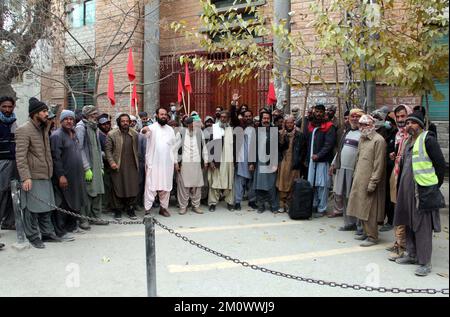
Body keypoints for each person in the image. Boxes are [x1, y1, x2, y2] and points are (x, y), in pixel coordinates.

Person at [393, 111, 446, 276]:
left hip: (422, 191)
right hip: (406, 191)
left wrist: (434, 186)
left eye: (412, 122)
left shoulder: (428, 139)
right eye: (407, 123)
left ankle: (424, 262)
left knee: (422, 226)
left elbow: (440, 165)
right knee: (408, 222)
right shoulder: (407, 141)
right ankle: (412, 254)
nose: (409, 125)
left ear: (420, 125)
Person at [15, 98, 60, 248]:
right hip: (32, 177)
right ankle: (33, 236)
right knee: (31, 210)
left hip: (45, 174)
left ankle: (47, 234)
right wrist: (25, 177)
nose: (47, 114)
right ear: (35, 113)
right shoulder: (23, 130)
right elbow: (20, 157)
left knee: (46, 207)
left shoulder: (43, 128)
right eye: (44, 111)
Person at [347, 115, 386, 247]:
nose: (362, 127)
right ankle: (365, 232)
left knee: (370, 209)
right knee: (360, 207)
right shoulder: (363, 139)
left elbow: (379, 164)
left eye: (365, 125)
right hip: (359, 178)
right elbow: (358, 159)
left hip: (370, 180)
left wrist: (373, 182)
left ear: (372, 125)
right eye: (360, 125)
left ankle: (372, 236)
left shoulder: (378, 140)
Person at [50, 110, 86, 239]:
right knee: (63, 203)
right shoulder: (57, 136)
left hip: (76, 176)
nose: (69, 121)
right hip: (64, 176)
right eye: (66, 119)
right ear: (61, 121)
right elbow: (56, 158)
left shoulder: (73, 133)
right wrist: (61, 176)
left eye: (71, 119)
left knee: (74, 200)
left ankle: (71, 226)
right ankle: (60, 231)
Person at [329, 108, 364, 231]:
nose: (354, 119)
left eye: (357, 117)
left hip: (354, 171)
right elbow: (340, 150)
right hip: (342, 169)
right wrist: (334, 163)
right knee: (344, 196)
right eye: (352, 117)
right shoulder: (346, 132)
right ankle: (349, 223)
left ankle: (359, 225)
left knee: (355, 197)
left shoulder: (363, 134)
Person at [387, 104, 413, 260]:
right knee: (397, 209)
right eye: (398, 117)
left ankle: (402, 247)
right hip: (396, 174)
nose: (401, 120)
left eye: (404, 116)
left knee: (403, 212)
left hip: (406, 178)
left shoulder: (412, 136)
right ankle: (398, 241)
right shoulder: (398, 135)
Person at [75, 105, 107, 229]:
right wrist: (86, 167)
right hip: (88, 166)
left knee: (98, 191)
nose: (95, 116)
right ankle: (84, 219)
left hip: (97, 165)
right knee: (87, 193)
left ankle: (96, 217)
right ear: (87, 115)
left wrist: (101, 165)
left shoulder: (95, 127)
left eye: (96, 114)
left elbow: (98, 148)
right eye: (93, 114)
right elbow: (80, 148)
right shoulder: (80, 127)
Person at [142, 107, 177, 217]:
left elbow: (174, 147)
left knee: (165, 187)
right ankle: (147, 209)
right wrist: (144, 129)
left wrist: (175, 162)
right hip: (153, 164)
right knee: (150, 187)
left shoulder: (170, 130)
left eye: (165, 114)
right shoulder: (151, 128)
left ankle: (163, 208)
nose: (164, 116)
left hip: (167, 164)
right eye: (161, 114)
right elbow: (143, 133)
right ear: (156, 115)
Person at [105, 113, 140, 220]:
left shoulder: (134, 134)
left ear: (130, 122)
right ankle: (118, 210)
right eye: (123, 121)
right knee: (118, 188)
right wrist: (112, 162)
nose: (125, 123)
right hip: (117, 166)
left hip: (131, 165)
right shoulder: (112, 134)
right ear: (119, 122)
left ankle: (130, 209)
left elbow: (137, 148)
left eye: (127, 121)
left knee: (132, 188)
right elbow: (108, 151)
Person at [305, 104, 337, 217]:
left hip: (323, 161)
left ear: (324, 113)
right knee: (312, 184)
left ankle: (322, 208)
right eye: (316, 111)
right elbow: (307, 143)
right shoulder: (311, 125)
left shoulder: (329, 126)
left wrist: (318, 155)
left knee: (322, 185)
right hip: (311, 161)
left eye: (320, 112)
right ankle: (313, 205)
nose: (318, 114)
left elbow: (329, 145)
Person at [207, 101, 238, 212]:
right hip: (217, 159)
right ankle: (212, 203)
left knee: (229, 182)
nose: (223, 119)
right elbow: (210, 145)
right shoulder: (215, 128)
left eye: (225, 117)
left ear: (229, 119)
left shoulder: (232, 128)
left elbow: (235, 117)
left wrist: (233, 105)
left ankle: (229, 202)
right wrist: (210, 160)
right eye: (221, 117)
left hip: (229, 160)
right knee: (215, 182)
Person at [175, 116, 209, 215]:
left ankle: (196, 206)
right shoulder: (180, 133)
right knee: (183, 186)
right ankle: (183, 206)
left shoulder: (199, 133)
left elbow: (204, 147)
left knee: (197, 186)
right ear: (188, 124)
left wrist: (206, 160)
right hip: (184, 163)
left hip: (197, 163)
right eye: (193, 124)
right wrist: (176, 162)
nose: (196, 126)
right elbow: (174, 149)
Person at [276, 116, 306, 213]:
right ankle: (281, 204)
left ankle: (289, 204)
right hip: (283, 162)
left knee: (292, 183)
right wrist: (282, 137)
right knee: (282, 182)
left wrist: (300, 161)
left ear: (294, 123)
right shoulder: (280, 133)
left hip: (294, 162)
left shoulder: (299, 135)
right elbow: (278, 148)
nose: (289, 125)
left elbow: (303, 150)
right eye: (287, 123)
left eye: (291, 123)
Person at [251, 111, 279, 213]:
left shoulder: (274, 131)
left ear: (270, 119)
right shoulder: (256, 131)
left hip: (271, 162)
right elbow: (252, 148)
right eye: (264, 118)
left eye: (267, 118)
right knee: (260, 185)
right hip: (260, 162)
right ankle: (261, 205)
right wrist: (251, 163)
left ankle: (273, 206)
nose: (266, 120)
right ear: (261, 119)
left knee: (271, 185)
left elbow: (277, 149)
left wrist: (275, 163)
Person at [0, 96, 18, 231]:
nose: (7, 109)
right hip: (2, 163)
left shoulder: (14, 122)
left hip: (15, 161)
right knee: (2, 193)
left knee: (14, 192)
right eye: (4, 106)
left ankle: (9, 222)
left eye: (9, 107)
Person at [234, 109, 257, 211]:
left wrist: (252, 162)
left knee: (251, 181)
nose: (248, 118)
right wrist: (234, 105)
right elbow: (233, 118)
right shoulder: (240, 127)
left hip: (251, 159)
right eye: (246, 116)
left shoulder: (255, 128)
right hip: (241, 159)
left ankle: (252, 201)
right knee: (239, 181)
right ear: (243, 117)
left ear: (252, 116)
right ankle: (238, 202)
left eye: (249, 116)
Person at [98, 114, 112, 214]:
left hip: (111, 164)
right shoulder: (98, 135)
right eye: (104, 124)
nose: (106, 126)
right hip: (103, 164)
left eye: (108, 124)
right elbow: (99, 150)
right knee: (105, 186)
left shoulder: (110, 134)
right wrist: (108, 156)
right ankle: (104, 206)